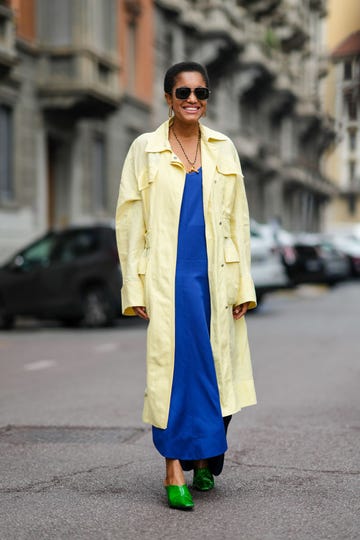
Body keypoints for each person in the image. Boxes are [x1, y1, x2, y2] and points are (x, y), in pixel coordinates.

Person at [115, 61, 257, 510]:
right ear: (168, 98)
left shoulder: (224, 148)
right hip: (167, 280)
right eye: (183, 93)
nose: (193, 100)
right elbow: (129, 221)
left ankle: (203, 460)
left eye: (201, 92)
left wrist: (244, 285)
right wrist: (133, 288)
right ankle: (173, 467)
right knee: (173, 375)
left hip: (216, 277)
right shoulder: (145, 149)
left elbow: (240, 221)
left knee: (213, 372)